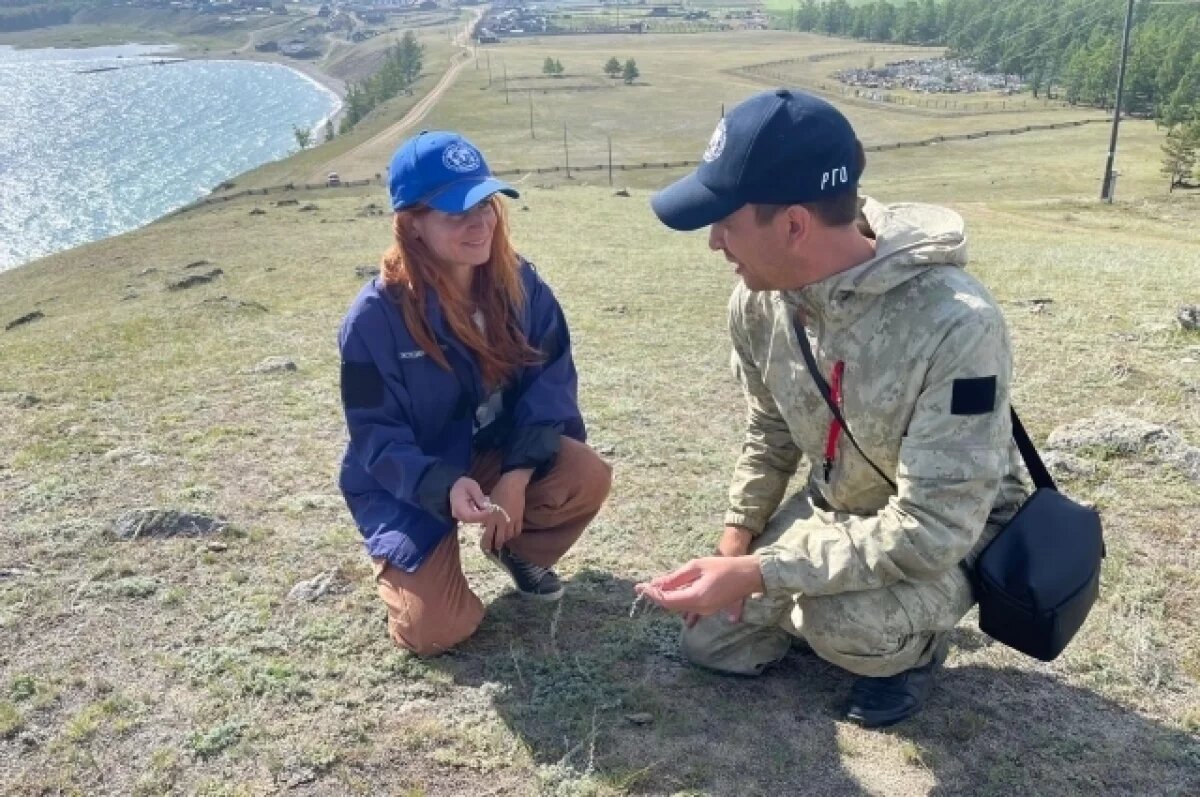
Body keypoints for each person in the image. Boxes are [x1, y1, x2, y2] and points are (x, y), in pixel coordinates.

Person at [636, 89, 1028, 727]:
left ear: (794, 225)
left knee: (843, 622)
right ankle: (819, 611)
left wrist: (764, 572)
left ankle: (912, 651)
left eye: (726, 223)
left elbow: (934, 528)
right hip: (839, 509)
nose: (714, 243)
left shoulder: (957, 323)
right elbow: (769, 432)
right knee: (714, 641)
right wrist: (736, 541)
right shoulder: (757, 302)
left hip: (954, 534)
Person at [338, 130, 612, 656]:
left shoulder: (522, 285)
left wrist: (517, 475)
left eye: (485, 204)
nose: (481, 222)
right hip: (412, 481)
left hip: (493, 455)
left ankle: (518, 550)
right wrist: (442, 486)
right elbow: (376, 436)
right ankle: (413, 570)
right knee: (434, 631)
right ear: (412, 224)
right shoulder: (373, 320)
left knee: (585, 474)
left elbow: (549, 385)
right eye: (456, 212)